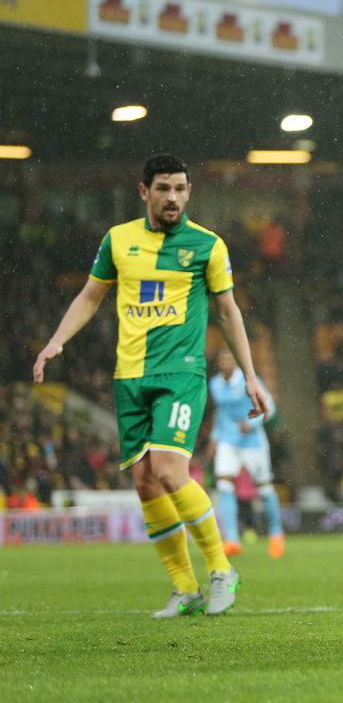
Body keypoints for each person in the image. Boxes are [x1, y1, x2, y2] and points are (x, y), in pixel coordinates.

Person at [33, 154, 270, 618]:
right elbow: (90, 296)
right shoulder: (118, 240)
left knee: (168, 469)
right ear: (144, 192)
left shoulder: (207, 246)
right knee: (144, 482)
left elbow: (229, 313)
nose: (173, 198)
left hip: (181, 374)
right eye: (164, 188)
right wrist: (56, 342)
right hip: (130, 377)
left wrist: (250, 375)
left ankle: (222, 569)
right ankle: (185, 588)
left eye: (181, 189)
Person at [207, 347, 284, 559]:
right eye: (222, 358)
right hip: (228, 441)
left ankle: (276, 535)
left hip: (252, 441)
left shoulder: (249, 380)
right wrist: (215, 437)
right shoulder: (214, 384)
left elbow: (270, 406)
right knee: (224, 485)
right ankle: (232, 539)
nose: (226, 362)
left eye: (230, 358)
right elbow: (221, 413)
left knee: (264, 488)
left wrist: (252, 424)